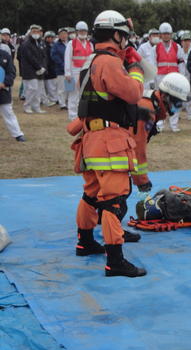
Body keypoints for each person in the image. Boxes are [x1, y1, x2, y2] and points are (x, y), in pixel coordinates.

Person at [67, 10, 147, 277]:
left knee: (90, 194)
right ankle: (115, 261)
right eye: (124, 36)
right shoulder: (110, 63)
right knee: (113, 200)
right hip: (108, 142)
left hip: (91, 140)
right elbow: (133, 93)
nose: (126, 42)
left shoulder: (90, 61)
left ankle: (85, 241)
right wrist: (135, 69)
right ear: (116, 34)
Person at [131, 73, 191, 191]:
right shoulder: (147, 111)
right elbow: (138, 148)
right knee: (115, 197)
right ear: (165, 97)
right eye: (177, 103)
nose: (178, 108)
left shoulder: (149, 102)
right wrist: (142, 181)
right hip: (106, 149)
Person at [155, 22, 182, 132]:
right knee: (160, 101)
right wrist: (154, 79)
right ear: (160, 35)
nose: (166, 36)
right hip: (160, 77)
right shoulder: (156, 47)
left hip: (174, 76)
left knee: (174, 100)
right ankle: (160, 124)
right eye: (164, 34)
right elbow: (153, 63)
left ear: (171, 34)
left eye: (168, 34)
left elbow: (181, 62)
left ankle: (174, 125)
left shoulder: (177, 46)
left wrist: (181, 77)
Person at [64, 21, 93, 120]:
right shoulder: (71, 43)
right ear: (77, 31)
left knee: (83, 93)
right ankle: (72, 115)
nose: (83, 32)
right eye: (81, 31)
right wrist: (67, 73)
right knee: (73, 94)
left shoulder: (90, 44)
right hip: (74, 72)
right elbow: (67, 58)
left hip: (86, 72)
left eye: (84, 31)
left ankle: (82, 113)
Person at [19, 24, 48, 114]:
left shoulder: (40, 43)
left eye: (37, 32)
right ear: (30, 32)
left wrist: (43, 67)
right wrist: (39, 67)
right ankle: (27, 106)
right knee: (32, 89)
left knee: (38, 89)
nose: (36, 33)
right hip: (29, 70)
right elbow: (30, 58)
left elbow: (44, 56)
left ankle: (36, 107)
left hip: (40, 70)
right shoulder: (26, 44)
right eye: (34, 31)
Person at [0, 48, 25, 141]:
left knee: (8, 112)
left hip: (3, 90)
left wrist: (4, 83)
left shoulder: (5, 55)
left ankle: (18, 134)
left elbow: (11, 72)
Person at [51, 27, 69, 109]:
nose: (63, 36)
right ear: (58, 35)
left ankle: (68, 101)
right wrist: (63, 65)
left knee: (69, 87)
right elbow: (54, 56)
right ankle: (62, 104)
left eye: (65, 34)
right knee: (61, 88)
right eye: (61, 34)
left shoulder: (70, 43)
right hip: (60, 70)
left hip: (70, 70)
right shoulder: (56, 45)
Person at [43, 31, 58, 106]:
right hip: (48, 68)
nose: (50, 39)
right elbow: (46, 59)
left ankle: (54, 98)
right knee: (49, 85)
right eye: (48, 37)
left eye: (52, 37)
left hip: (54, 68)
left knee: (54, 85)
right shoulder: (44, 46)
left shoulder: (54, 45)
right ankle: (52, 98)